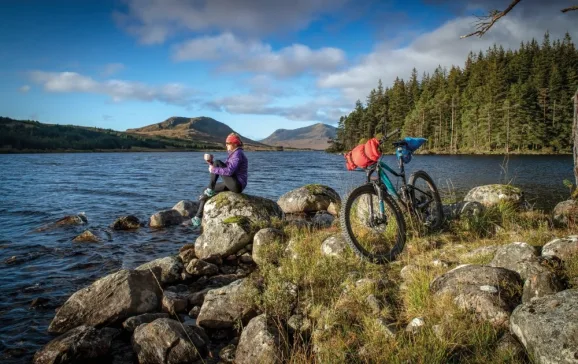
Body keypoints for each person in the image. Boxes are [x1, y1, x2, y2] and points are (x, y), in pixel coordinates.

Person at [191, 133, 248, 227]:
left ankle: (210, 189)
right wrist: (211, 162)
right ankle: (198, 217)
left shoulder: (238, 154)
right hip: (232, 182)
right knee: (205, 190)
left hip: (237, 184)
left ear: (234, 144)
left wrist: (214, 168)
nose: (226, 145)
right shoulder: (233, 154)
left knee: (217, 163)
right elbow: (224, 169)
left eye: (228, 143)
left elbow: (229, 172)